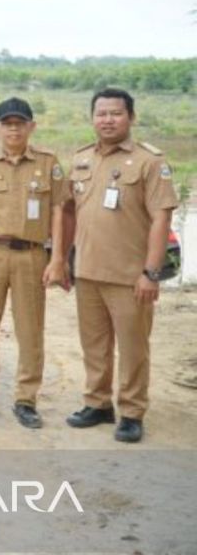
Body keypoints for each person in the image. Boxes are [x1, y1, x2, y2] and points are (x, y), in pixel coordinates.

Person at [62, 88, 178, 443]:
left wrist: (151, 272)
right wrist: (65, 259)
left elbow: (161, 219)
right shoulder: (82, 159)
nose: (107, 120)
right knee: (94, 344)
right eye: (101, 113)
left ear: (131, 117)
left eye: (116, 113)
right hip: (88, 273)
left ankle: (131, 411)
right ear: (92, 117)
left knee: (133, 347)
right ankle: (97, 403)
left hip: (130, 277)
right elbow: (68, 212)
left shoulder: (150, 162)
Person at [0, 98, 68, 429]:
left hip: (32, 256)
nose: (13, 128)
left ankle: (26, 399)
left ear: (31, 127)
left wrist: (58, 259)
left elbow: (58, 212)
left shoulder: (48, 163)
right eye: (6, 123)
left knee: (30, 329)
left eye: (19, 123)